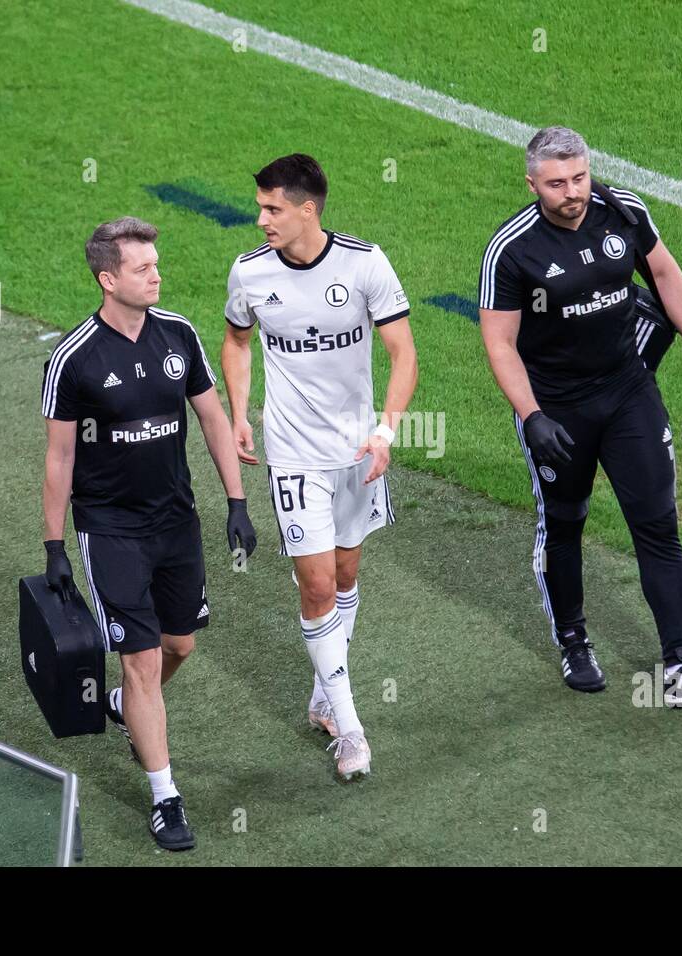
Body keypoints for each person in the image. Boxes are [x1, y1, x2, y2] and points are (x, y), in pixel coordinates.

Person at [477, 126, 682, 706]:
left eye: (580, 177)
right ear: (533, 183)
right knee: (565, 522)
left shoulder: (622, 210)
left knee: (657, 521)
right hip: (557, 407)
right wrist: (531, 415)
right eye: (558, 182)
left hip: (628, 391)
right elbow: (500, 342)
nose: (574, 191)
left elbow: (662, 271)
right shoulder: (512, 249)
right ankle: (573, 641)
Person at [40, 216, 257, 850]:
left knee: (180, 646)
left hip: (176, 521)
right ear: (109, 280)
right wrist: (55, 547)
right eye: (142, 268)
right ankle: (166, 798)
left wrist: (236, 503)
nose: (157, 274)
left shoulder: (179, 336)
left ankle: (125, 706)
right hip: (110, 530)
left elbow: (214, 421)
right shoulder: (74, 359)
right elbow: (59, 458)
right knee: (139, 660)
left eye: (156, 263)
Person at [221, 154, 418, 778]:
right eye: (260, 207)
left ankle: (321, 696)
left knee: (344, 571)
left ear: (309, 209)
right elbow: (236, 340)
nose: (261, 220)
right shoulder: (250, 274)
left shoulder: (364, 264)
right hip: (294, 453)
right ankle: (351, 730)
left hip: (358, 452)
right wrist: (240, 412)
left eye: (273, 208)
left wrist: (385, 431)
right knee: (315, 586)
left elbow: (403, 353)